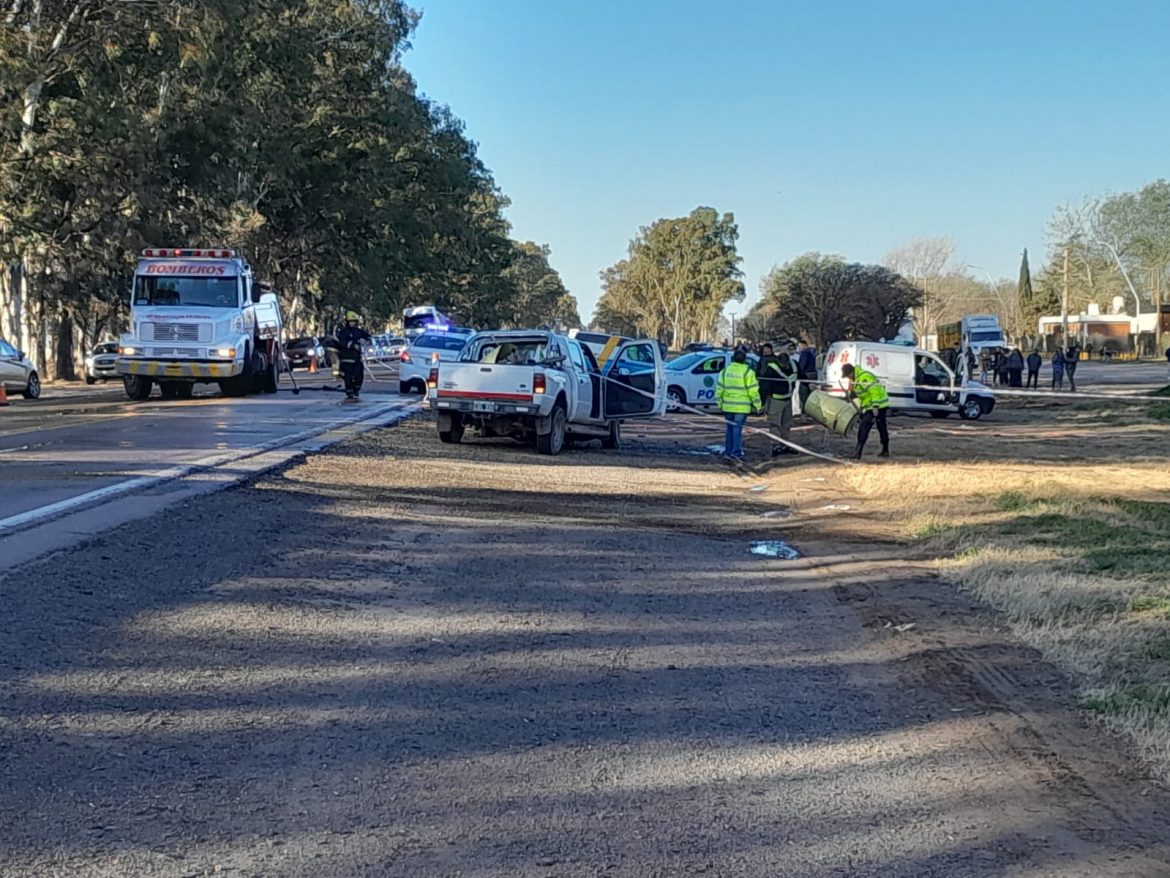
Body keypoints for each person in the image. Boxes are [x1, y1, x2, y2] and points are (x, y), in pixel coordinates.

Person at [716, 348, 761, 461]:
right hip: (742, 407)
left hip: (727, 406)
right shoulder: (748, 372)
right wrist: (758, 405)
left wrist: (719, 403)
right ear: (745, 359)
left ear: (733, 358)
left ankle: (728, 451)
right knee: (737, 429)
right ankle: (736, 452)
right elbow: (753, 391)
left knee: (729, 429)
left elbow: (719, 389)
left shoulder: (725, 371)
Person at [756, 343, 798, 456]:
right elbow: (764, 387)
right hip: (776, 401)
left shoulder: (794, 365)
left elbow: (802, 376)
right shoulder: (772, 369)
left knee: (786, 424)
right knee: (775, 424)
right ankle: (775, 446)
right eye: (783, 365)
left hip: (788, 400)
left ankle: (785, 444)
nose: (785, 366)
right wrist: (763, 402)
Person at [841, 362, 889, 460]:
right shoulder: (856, 380)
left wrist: (875, 406)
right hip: (870, 405)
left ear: (851, 372)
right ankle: (860, 452)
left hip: (879, 404)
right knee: (871, 427)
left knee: (875, 427)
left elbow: (874, 391)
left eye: (848, 376)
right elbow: (863, 396)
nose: (848, 378)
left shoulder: (864, 378)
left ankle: (861, 452)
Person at [335, 310, 371, 399]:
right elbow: (342, 343)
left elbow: (367, 337)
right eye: (351, 321)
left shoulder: (359, 331)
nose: (353, 323)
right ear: (347, 322)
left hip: (357, 358)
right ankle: (349, 392)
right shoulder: (343, 332)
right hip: (346, 358)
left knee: (359, 375)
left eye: (354, 322)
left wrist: (366, 341)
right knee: (348, 376)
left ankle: (356, 390)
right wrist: (352, 345)